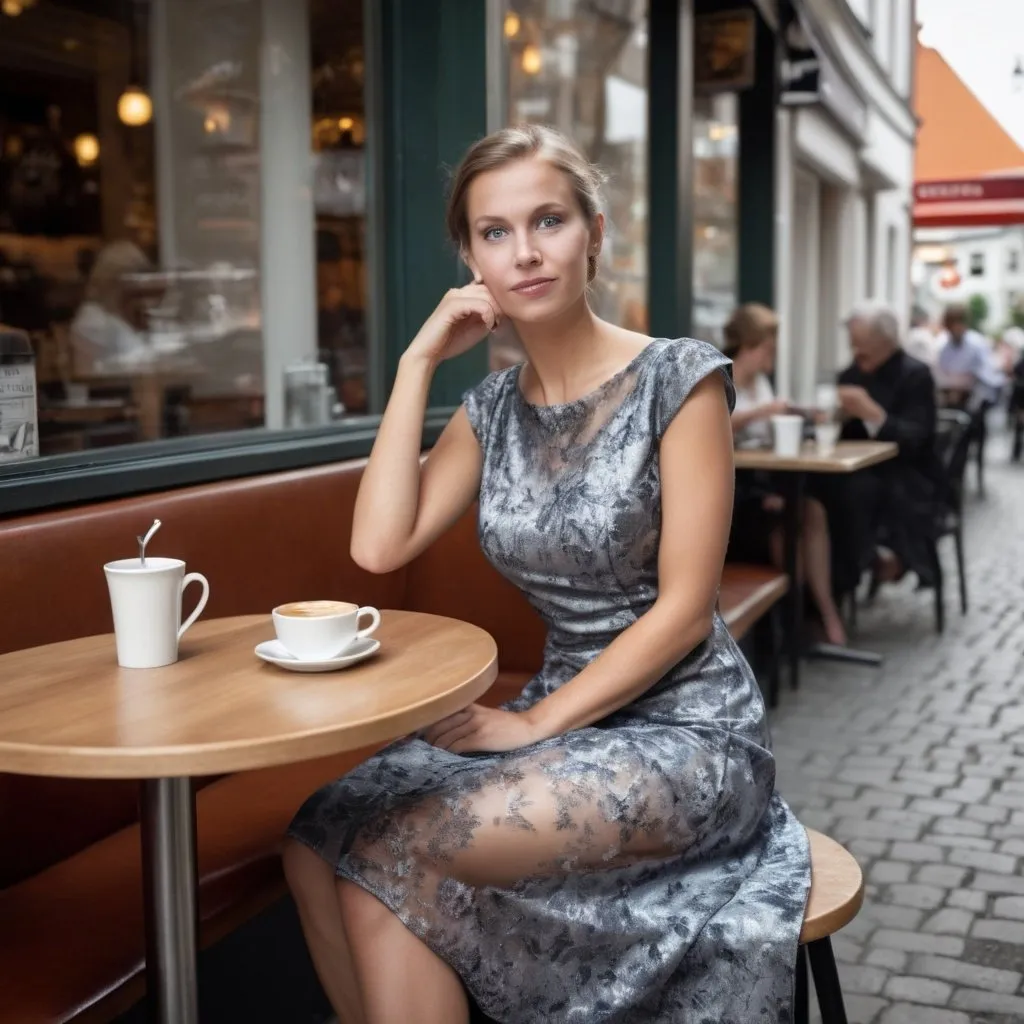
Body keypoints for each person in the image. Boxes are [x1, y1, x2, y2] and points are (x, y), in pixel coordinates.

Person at [283, 125, 810, 1024]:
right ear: (470, 259)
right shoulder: (488, 409)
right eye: (494, 232)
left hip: (688, 728)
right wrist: (416, 361)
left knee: (400, 846)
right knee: (314, 836)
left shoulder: (679, 380)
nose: (524, 252)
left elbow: (686, 611)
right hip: (569, 715)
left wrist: (532, 721)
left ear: (594, 233)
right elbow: (378, 547)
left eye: (548, 220)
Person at [726, 303, 847, 645]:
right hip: (733, 499)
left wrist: (801, 413)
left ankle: (821, 613)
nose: (773, 356)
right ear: (750, 346)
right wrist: (764, 412)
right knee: (788, 531)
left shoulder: (759, 384)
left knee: (814, 511)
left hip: (763, 486)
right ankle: (792, 631)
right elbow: (717, 424)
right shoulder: (722, 378)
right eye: (769, 348)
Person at [831, 300, 942, 592]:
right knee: (822, 493)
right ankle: (834, 583)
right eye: (853, 345)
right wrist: (832, 418)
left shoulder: (915, 375)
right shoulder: (850, 375)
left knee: (854, 494)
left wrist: (874, 415)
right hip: (857, 469)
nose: (856, 353)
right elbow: (844, 436)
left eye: (862, 345)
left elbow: (918, 439)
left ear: (887, 342)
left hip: (908, 473)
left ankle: (857, 570)